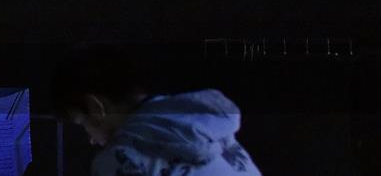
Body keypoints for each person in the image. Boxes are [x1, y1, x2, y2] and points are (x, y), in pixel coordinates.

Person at [50, 45, 260, 175]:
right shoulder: (208, 131)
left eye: (83, 124)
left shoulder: (120, 158)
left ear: (96, 108)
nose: (91, 139)